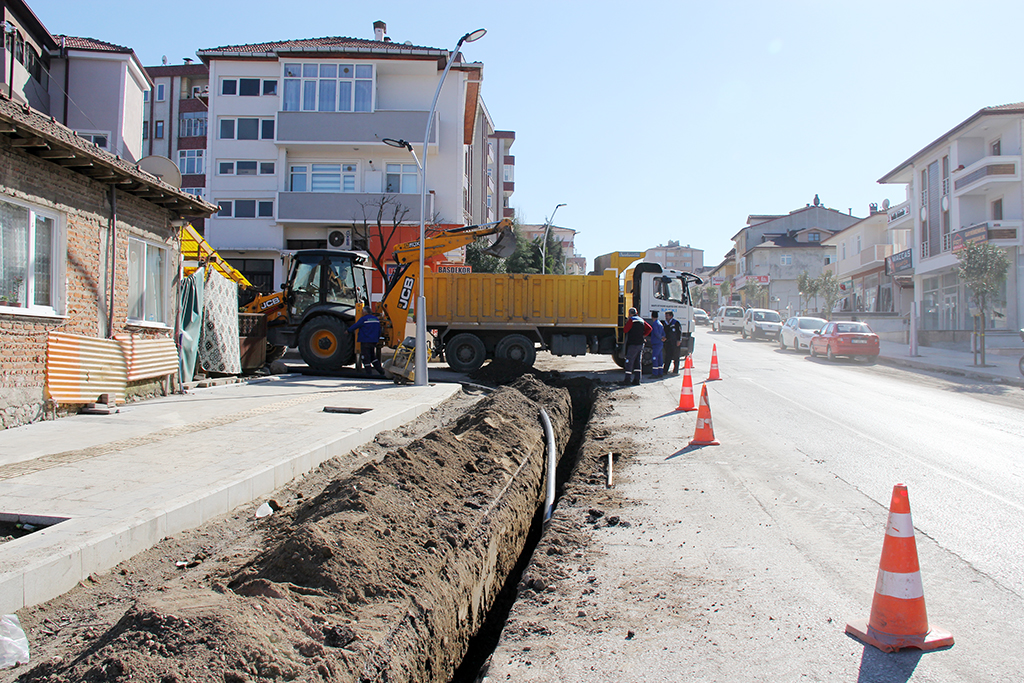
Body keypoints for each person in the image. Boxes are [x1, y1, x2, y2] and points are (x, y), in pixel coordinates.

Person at [348, 308, 384, 376]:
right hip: (373, 341)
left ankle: (368, 373)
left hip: (365, 341)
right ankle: (381, 371)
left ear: (365, 312)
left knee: (365, 357)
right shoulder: (376, 319)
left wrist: (348, 330)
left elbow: (356, 326)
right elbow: (379, 331)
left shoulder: (363, 319)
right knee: (373, 356)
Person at [621, 307, 651, 386]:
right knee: (637, 361)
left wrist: (626, 323)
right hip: (640, 343)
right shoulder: (641, 320)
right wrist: (644, 335)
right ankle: (637, 380)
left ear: (630, 313)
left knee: (629, 361)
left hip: (633, 343)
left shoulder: (631, 320)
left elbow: (625, 330)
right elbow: (649, 328)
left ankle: (627, 379)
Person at [663, 310, 683, 374]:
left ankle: (675, 370)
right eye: (665, 316)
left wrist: (679, 340)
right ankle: (665, 370)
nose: (666, 317)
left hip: (675, 342)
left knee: (676, 357)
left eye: (667, 316)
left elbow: (679, 332)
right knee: (668, 356)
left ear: (671, 316)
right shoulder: (665, 323)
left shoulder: (676, 323)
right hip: (668, 343)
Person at [649, 311, 665, 378]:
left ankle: (655, 373)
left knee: (654, 358)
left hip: (656, 343)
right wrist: (663, 337)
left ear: (652, 316)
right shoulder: (660, 323)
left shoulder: (655, 324)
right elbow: (663, 332)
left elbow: (656, 332)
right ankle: (660, 372)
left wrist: (660, 338)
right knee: (660, 358)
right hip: (660, 343)